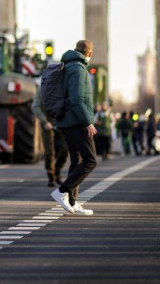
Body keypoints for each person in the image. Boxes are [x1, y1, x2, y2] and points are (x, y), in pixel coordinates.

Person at [50, 40, 97, 216]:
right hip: (76, 122)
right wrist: (87, 122)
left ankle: (72, 201)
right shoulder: (78, 69)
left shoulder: (68, 66)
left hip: (67, 121)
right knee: (91, 160)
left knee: (76, 160)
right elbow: (77, 100)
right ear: (89, 54)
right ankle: (63, 191)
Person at [32, 86, 69, 187]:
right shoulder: (42, 89)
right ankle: (51, 176)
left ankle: (57, 171)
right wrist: (44, 121)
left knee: (64, 151)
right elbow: (35, 107)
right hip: (47, 124)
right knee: (49, 152)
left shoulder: (64, 87)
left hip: (61, 123)